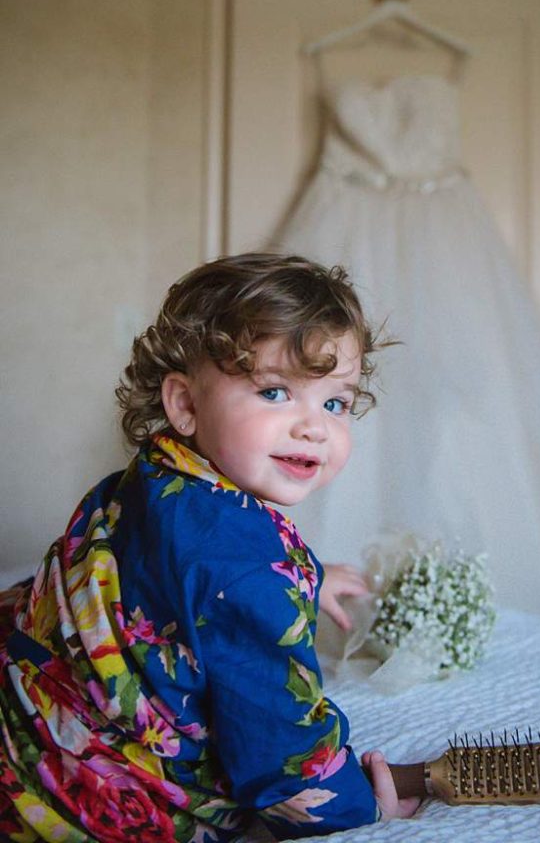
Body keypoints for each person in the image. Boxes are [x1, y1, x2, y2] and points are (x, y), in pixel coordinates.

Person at [0, 253, 420, 842]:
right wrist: (361, 808)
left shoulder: (157, 475)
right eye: (275, 392)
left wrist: (307, 575)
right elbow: (282, 760)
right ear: (186, 405)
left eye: (335, 402)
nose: (314, 427)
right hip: (81, 785)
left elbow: (179, 570)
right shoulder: (245, 575)